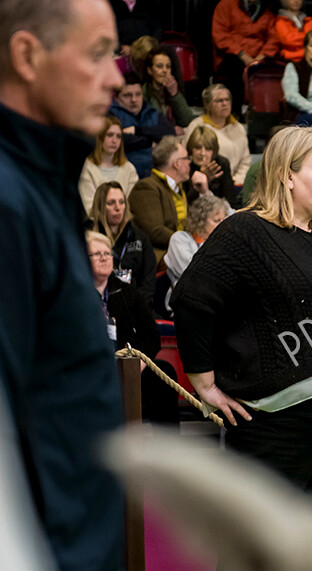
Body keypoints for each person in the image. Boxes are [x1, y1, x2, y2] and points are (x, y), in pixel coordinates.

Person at [170, 126, 312, 507]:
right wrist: (205, 383)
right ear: (287, 175)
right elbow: (190, 300)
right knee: (257, 549)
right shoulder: (245, 231)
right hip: (280, 426)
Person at [0, 0, 125, 567]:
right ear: (27, 55)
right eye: (97, 54)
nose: (116, 77)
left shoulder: (41, 185)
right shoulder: (8, 201)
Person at [86, 231, 177, 425]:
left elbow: (151, 336)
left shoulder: (127, 292)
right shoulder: (76, 296)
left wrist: (140, 363)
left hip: (131, 366)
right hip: (92, 370)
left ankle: (166, 448)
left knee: (165, 372)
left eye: (108, 253)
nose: (104, 258)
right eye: (97, 254)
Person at [128, 136, 204, 263]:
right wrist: (187, 243)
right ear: (177, 163)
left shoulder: (179, 188)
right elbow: (155, 231)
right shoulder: (146, 187)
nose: (189, 162)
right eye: (187, 158)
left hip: (181, 251)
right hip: (160, 255)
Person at [87, 181, 157, 309]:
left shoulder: (139, 236)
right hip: (97, 305)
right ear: (100, 206)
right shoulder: (89, 237)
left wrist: (136, 305)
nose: (118, 208)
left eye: (121, 202)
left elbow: (149, 280)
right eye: (111, 203)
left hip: (135, 305)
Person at [211, 0, 279, 115]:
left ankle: (262, 114)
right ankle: (234, 114)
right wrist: (242, 55)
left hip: (258, 57)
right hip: (232, 55)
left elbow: (273, 39)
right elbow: (220, 36)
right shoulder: (226, 5)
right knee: (234, 67)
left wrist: (260, 57)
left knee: (273, 70)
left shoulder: (267, 12)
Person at [163, 195, 227, 312]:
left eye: (224, 220)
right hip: (185, 307)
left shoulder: (222, 244)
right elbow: (193, 274)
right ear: (200, 220)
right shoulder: (179, 239)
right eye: (217, 220)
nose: (222, 225)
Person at [109, 72, 175, 178]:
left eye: (138, 94)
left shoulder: (151, 112)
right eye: (127, 95)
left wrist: (137, 130)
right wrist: (150, 141)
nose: (134, 99)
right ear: (116, 97)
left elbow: (170, 134)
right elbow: (120, 141)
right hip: (124, 176)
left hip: (157, 175)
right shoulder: (111, 114)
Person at [184, 84, 251, 185]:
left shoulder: (238, 128)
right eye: (219, 100)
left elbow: (245, 161)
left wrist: (237, 180)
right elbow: (188, 158)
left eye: (227, 99)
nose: (224, 104)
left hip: (236, 183)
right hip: (208, 181)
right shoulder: (197, 127)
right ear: (207, 104)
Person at [78, 115, 139, 213]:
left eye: (118, 136)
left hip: (125, 224)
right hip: (96, 224)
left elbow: (133, 205)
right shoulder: (87, 167)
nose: (114, 141)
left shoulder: (129, 168)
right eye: (109, 135)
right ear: (100, 137)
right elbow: (89, 207)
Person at [141, 47, 195, 129]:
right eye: (159, 66)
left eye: (168, 67)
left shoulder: (172, 90)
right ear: (150, 70)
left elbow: (187, 121)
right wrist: (171, 130)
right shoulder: (143, 92)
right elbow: (151, 124)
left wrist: (175, 94)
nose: (165, 70)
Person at [185, 125, 237, 206]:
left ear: (214, 151)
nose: (202, 153)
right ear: (191, 149)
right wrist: (203, 178)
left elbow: (231, 201)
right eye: (198, 148)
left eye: (208, 149)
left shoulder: (222, 164)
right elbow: (186, 204)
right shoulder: (185, 165)